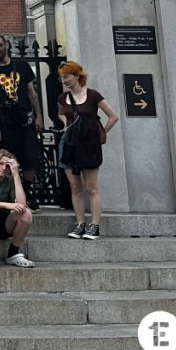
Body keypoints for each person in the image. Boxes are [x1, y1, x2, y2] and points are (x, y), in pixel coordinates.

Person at [57, 61, 119, 240]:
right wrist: (65, 124)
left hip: (89, 145)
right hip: (69, 145)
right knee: (75, 187)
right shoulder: (62, 97)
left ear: (76, 75)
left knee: (91, 187)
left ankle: (95, 225)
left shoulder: (92, 95)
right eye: (61, 78)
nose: (64, 81)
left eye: (66, 77)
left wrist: (101, 133)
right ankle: (80, 224)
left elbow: (113, 116)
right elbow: (61, 113)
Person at [0, 35, 44, 210]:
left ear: (7, 45)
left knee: (31, 157)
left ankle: (26, 190)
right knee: (6, 158)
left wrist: (39, 115)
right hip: (4, 121)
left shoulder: (21, 66)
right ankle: (12, 194)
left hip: (25, 118)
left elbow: (32, 92)